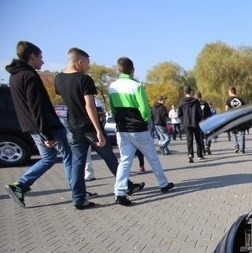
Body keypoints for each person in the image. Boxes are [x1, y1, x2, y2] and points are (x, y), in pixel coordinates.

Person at [55, 47, 144, 209]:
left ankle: (78, 198)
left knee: (77, 163)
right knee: (110, 159)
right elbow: (89, 106)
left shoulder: (58, 79)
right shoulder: (84, 79)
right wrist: (98, 130)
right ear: (79, 62)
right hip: (89, 127)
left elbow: (69, 102)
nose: (88, 66)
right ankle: (125, 186)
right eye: (87, 63)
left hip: (73, 127)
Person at [4, 41, 73, 208]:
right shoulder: (29, 76)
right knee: (69, 156)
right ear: (32, 56)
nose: (42, 61)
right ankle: (78, 190)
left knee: (48, 159)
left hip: (33, 127)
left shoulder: (14, 76)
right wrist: (47, 134)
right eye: (40, 57)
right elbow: (37, 107)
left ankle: (20, 185)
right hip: (47, 126)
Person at [108, 56, 174, 206]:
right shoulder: (136, 86)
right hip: (138, 128)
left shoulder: (112, 87)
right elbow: (144, 109)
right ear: (133, 70)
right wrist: (144, 121)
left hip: (122, 129)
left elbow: (112, 110)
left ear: (117, 70)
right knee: (152, 157)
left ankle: (119, 192)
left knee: (124, 161)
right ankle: (163, 184)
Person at [178, 86, 203, 162]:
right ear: (191, 92)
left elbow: (179, 113)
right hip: (195, 122)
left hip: (187, 123)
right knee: (198, 139)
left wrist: (183, 120)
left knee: (189, 140)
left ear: (184, 92)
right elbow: (199, 113)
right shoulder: (196, 101)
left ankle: (190, 154)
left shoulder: (182, 101)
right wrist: (199, 120)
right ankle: (199, 155)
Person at [225, 86, 246, 153]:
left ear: (230, 92)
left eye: (228, 92)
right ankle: (242, 149)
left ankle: (236, 147)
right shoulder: (241, 99)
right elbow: (245, 108)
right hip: (240, 118)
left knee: (233, 133)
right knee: (242, 133)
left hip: (233, 118)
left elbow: (226, 110)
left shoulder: (228, 100)